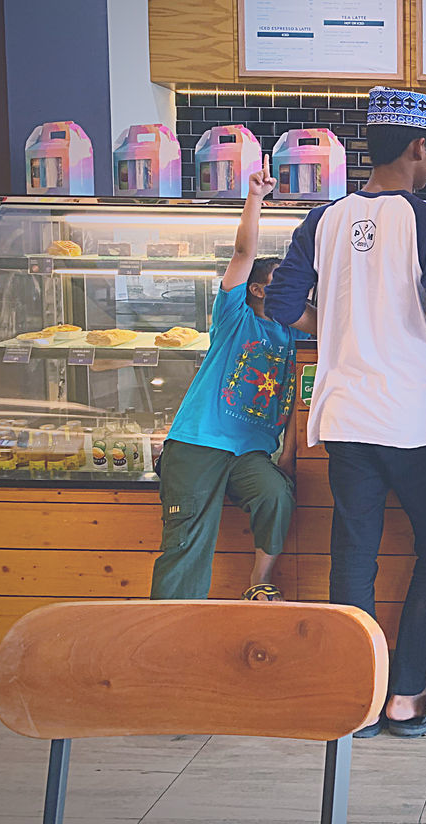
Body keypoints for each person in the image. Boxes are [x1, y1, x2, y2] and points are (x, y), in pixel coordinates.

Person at [264, 86, 426, 740]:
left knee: (354, 552)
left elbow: (278, 304)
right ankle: (407, 693)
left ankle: (359, 695)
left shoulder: (321, 220)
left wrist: (338, 327)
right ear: (420, 146)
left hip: (346, 414)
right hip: (412, 418)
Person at [150, 159, 314, 602]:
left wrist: (288, 458)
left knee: (276, 497)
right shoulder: (235, 315)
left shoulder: (297, 330)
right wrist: (255, 199)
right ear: (257, 289)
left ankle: (258, 583)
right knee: (186, 544)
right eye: (278, 281)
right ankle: (170, 637)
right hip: (199, 442)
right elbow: (243, 255)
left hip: (250, 453)